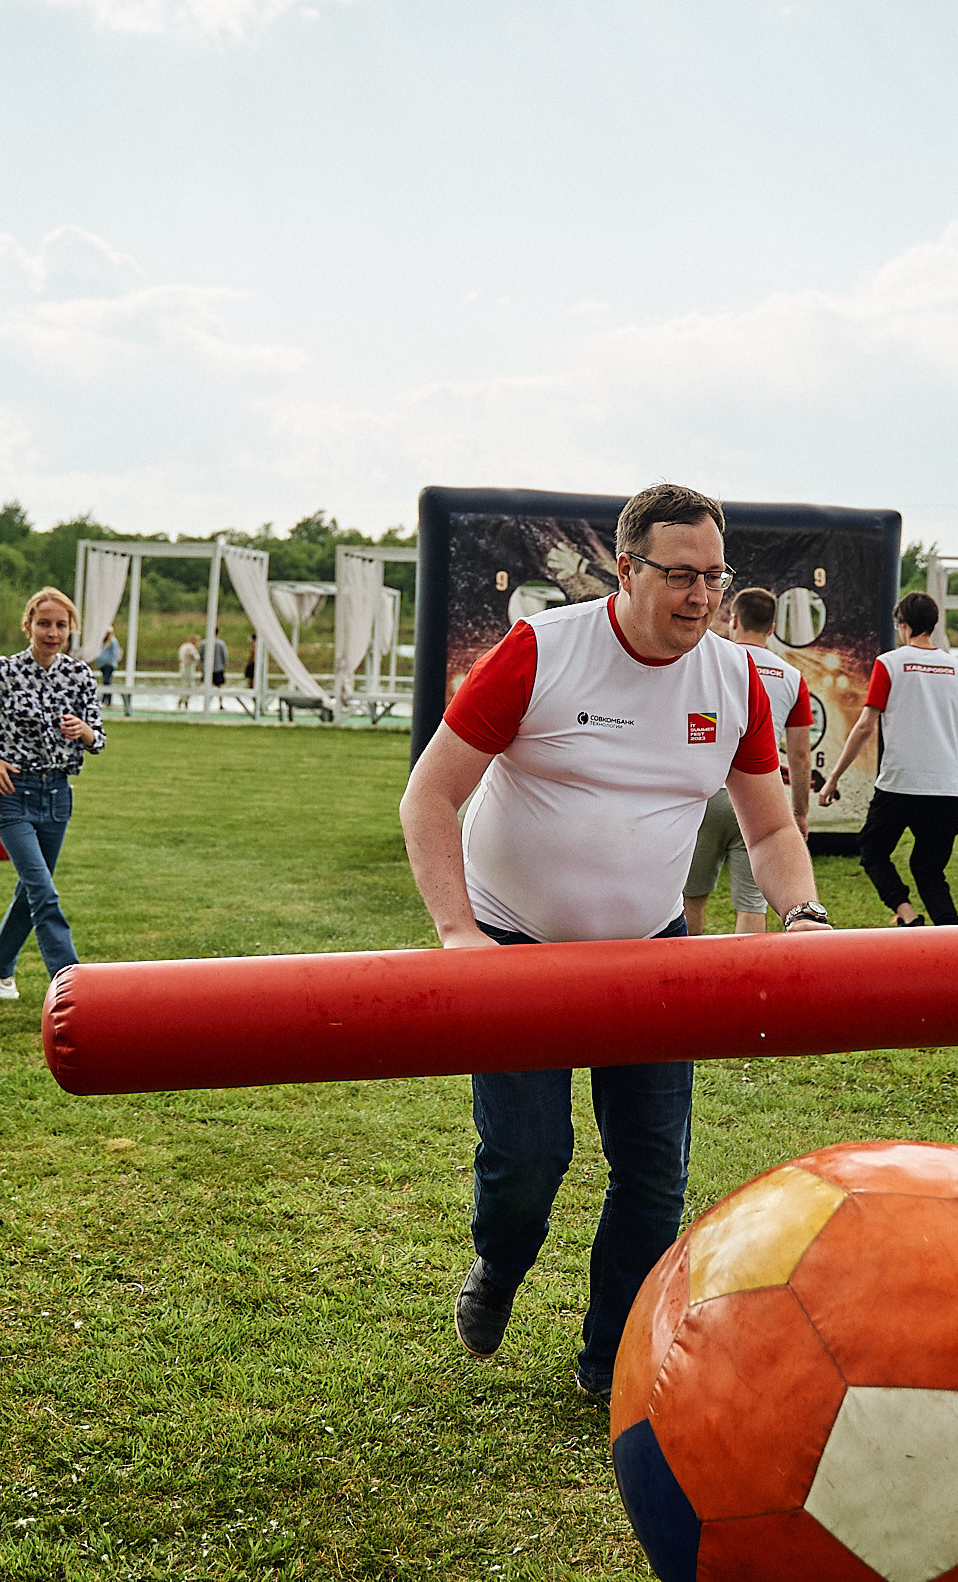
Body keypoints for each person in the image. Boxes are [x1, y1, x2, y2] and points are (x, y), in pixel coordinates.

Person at [397, 483, 827, 1399]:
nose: (701, 595)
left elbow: (771, 830)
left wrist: (805, 916)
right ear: (624, 569)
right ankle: (499, 1268)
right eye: (679, 575)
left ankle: (611, 1363)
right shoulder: (541, 651)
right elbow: (428, 796)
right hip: (513, 948)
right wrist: (456, 932)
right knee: (528, 1160)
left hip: (650, 951)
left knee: (652, 1172)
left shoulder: (732, 677)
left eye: (715, 576)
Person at [0, 588, 105, 1001]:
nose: (52, 632)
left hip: (57, 796)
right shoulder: (4, 672)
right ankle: (72, 984)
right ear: (28, 626)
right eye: (44, 624)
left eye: (61, 625)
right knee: (43, 890)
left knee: (30, 890)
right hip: (12, 796)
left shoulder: (79, 676)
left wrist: (85, 732)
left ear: (70, 629)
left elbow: (100, 737)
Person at [820, 591, 958, 927]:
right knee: (930, 870)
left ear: (903, 625)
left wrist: (833, 778)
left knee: (873, 851)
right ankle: (953, 937)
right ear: (932, 625)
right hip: (945, 788)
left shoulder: (889, 663)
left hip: (900, 784)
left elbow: (865, 726)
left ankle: (907, 915)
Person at [684, 588, 816, 935]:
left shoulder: (707, 660)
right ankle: (748, 988)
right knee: (752, 904)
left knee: (690, 898)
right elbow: (800, 755)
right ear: (772, 628)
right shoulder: (792, 677)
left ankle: (683, 983)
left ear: (734, 620)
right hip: (762, 798)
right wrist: (799, 812)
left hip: (707, 791)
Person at [95, 627, 120, 698]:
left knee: (107, 681)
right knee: (104, 681)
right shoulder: (104, 642)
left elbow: (115, 652)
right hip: (102, 665)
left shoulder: (113, 641)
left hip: (109, 665)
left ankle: (107, 700)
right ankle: (104, 699)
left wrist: (110, 661)